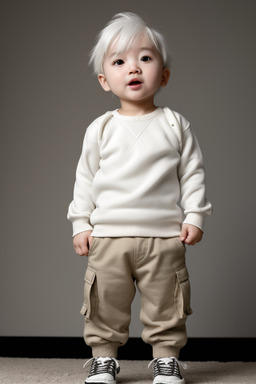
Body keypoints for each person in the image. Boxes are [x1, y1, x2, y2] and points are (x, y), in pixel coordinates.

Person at [67, 12, 212, 384]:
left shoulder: (174, 124)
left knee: (167, 303)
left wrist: (194, 216)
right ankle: (103, 359)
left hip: (163, 237)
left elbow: (192, 173)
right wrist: (81, 223)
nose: (133, 68)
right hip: (109, 237)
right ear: (104, 79)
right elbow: (85, 178)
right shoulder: (100, 129)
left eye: (145, 58)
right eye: (119, 61)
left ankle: (167, 359)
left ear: (163, 74)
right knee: (104, 303)